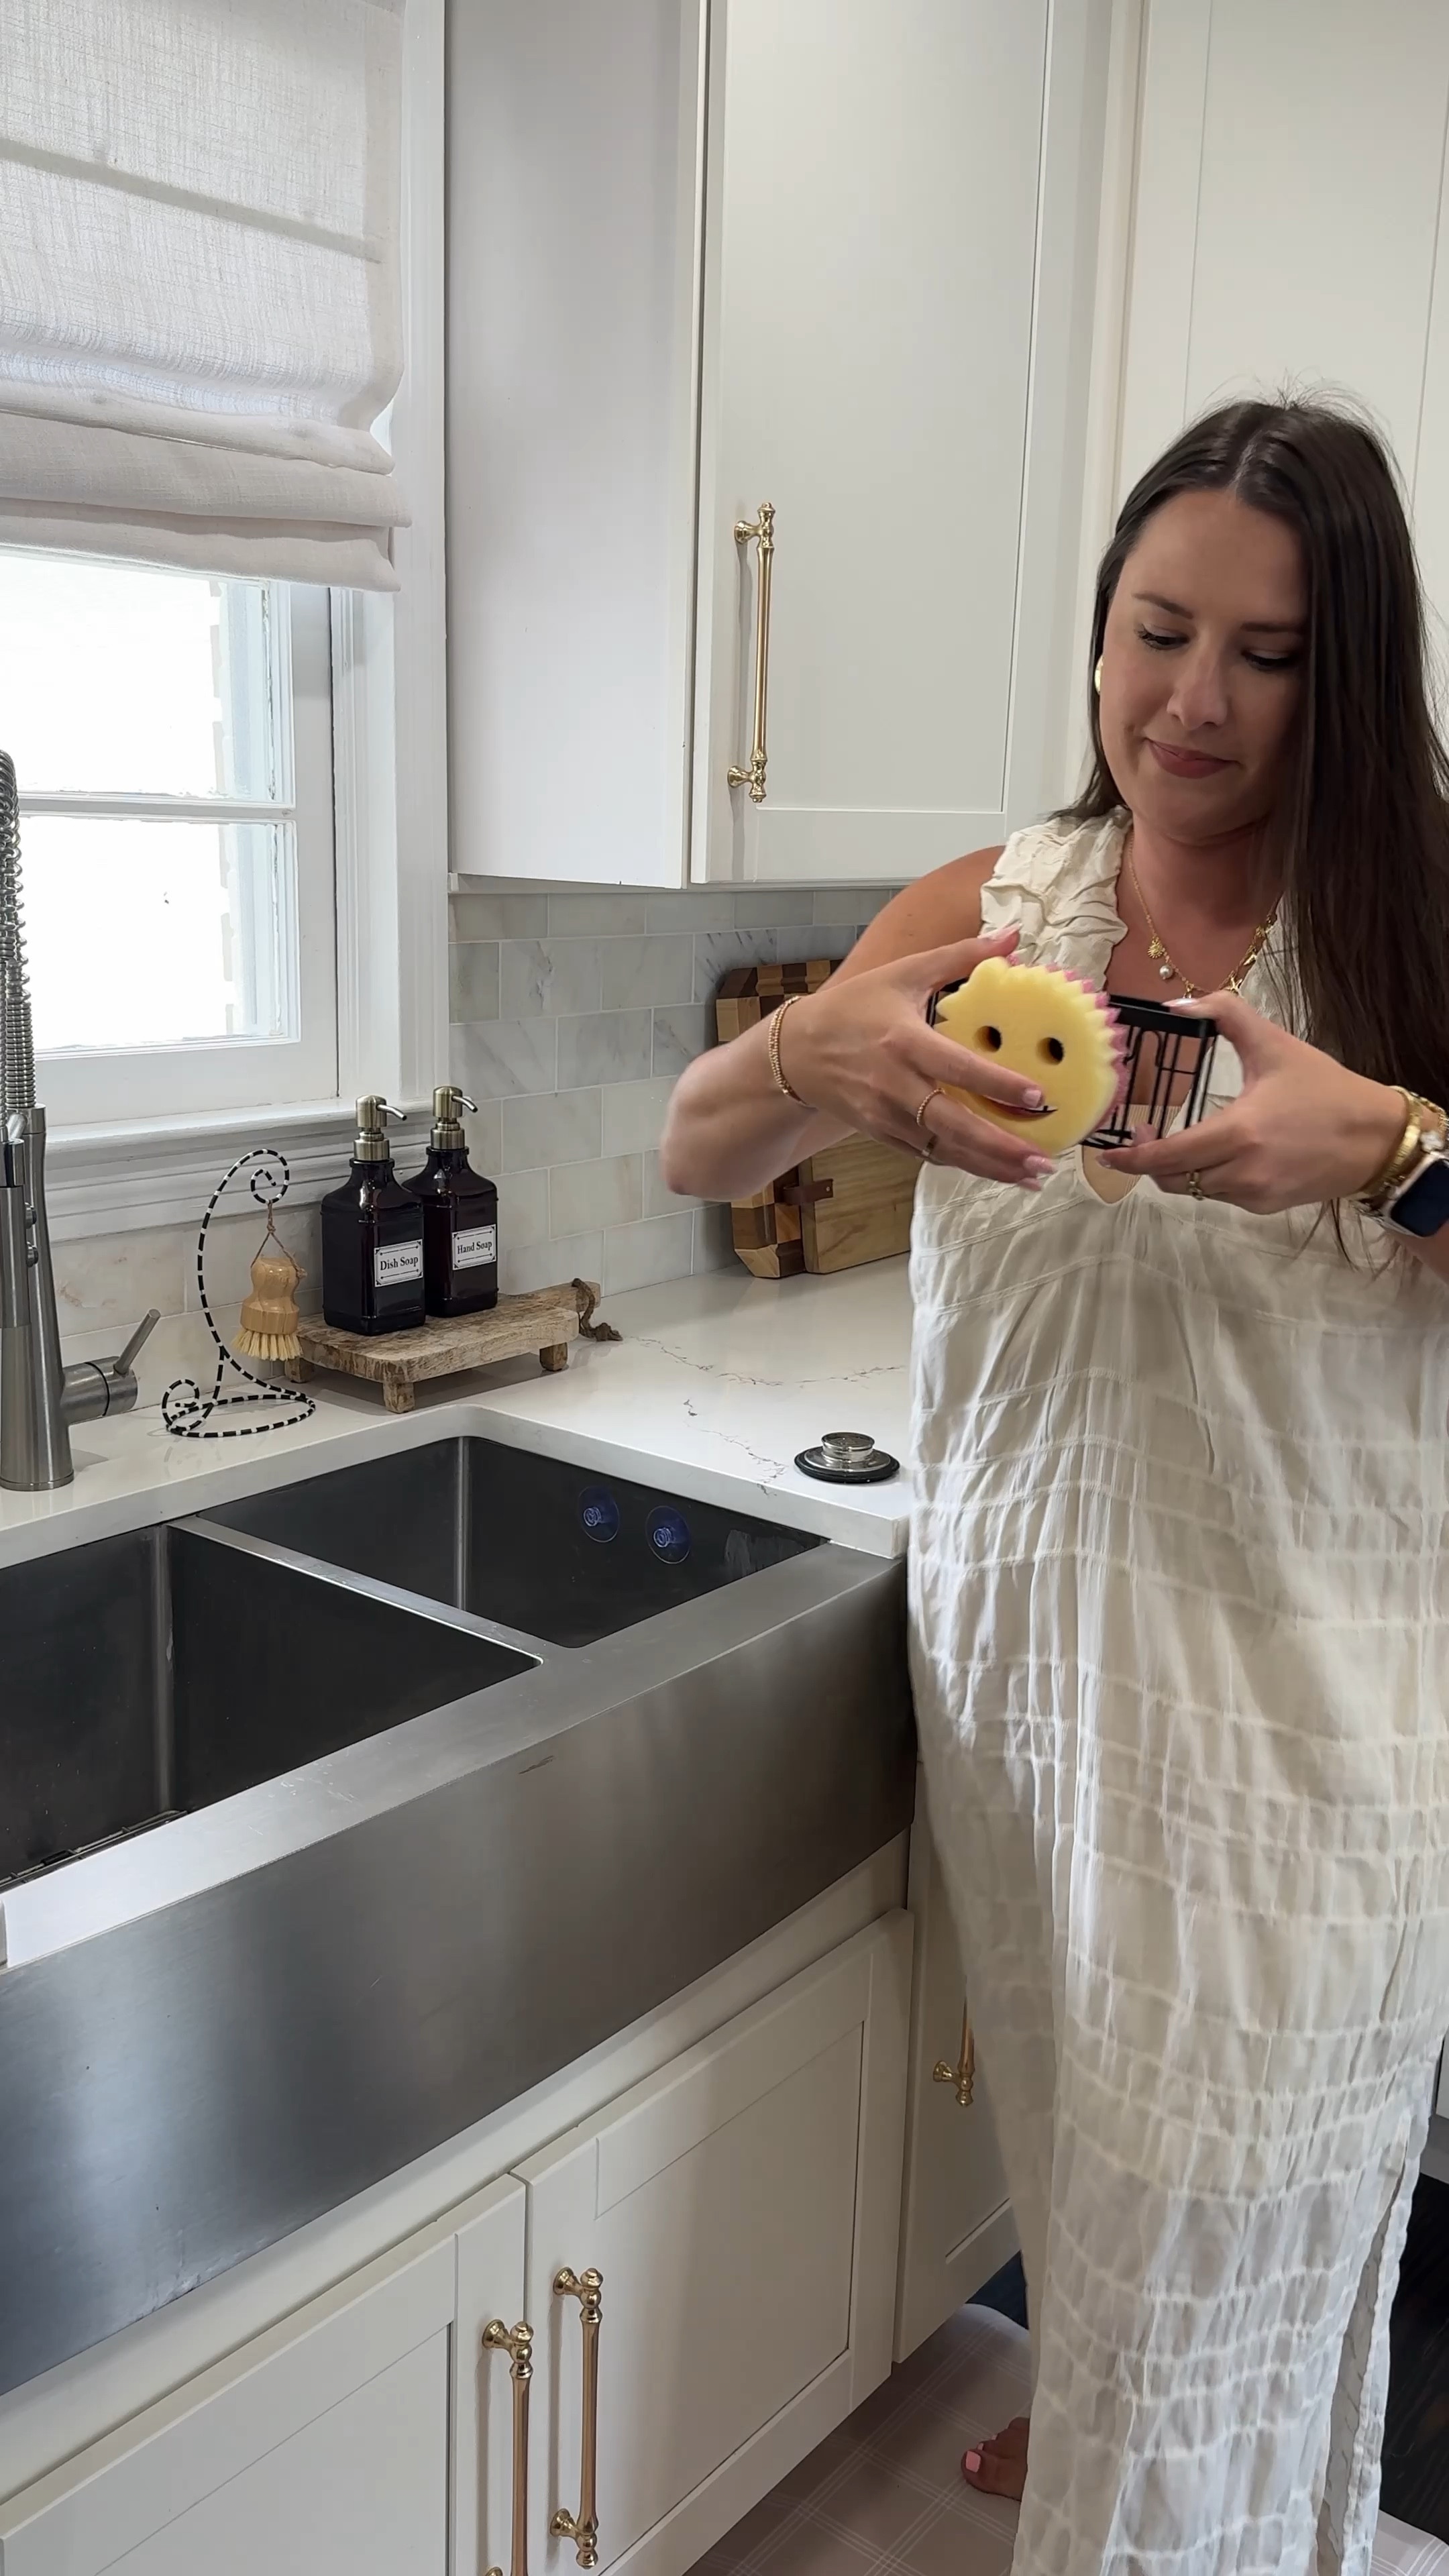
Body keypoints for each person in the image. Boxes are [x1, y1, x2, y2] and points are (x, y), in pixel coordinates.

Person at [659, 398, 1449, 2576]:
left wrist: (1395, 1151)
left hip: (1301, 1753)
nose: (1190, 701)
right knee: (1125, 2248)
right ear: (1095, 633)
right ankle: (1120, 2435)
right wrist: (805, 1054)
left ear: (1348, 673)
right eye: (1152, 630)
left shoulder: (1411, 932)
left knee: (1228, 2253)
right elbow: (698, 1152)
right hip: (1027, 1706)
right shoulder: (1006, 912)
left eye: (1266, 655)